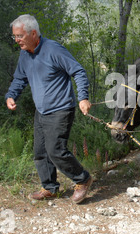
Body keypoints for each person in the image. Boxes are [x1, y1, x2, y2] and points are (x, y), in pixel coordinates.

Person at [5, 14, 93, 203]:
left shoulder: (53, 49)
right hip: (42, 111)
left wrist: (83, 97)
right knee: (41, 152)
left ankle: (83, 179)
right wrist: (11, 95)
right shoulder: (25, 53)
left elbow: (78, 71)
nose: (16, 40)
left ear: (33, 33)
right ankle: (50, 187)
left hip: (61, 109)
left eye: (19, 36)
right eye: (15, 36)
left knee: (55, 150)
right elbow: (20, 78)